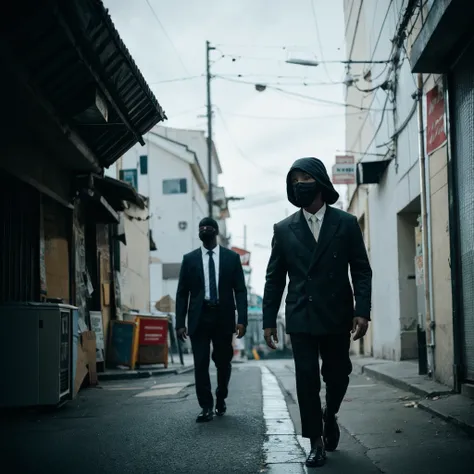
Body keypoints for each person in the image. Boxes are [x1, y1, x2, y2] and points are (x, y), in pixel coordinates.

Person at [262, 157, 372, 468]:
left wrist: (362, 310)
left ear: (320, 183)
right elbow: (274, 277)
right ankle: (315, 441)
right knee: (306, 379)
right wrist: (269, 320)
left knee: (338, 375)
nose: (298, 185)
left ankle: (330, 413)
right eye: (293, 181)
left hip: (337, 313)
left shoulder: (346, 223)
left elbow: (361, 270)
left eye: (304, 179)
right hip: (301, 316)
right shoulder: (283, 230)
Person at [176, 217, 248, 422]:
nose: (204, 231)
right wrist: (180, 323)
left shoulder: (231, 258)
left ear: (216, 232)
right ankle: (206, 406)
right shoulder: (189, 259)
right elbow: (182, 293)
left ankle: (221, 395)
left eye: (208, 228)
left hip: (223, 316)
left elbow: (240, 290)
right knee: (200, 363)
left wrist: (242, 319)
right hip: (199, 316)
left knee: (223, 362)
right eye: (201, 229)